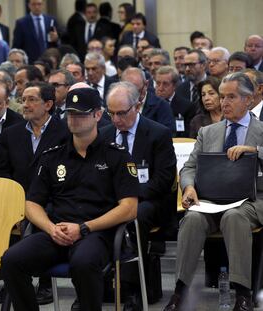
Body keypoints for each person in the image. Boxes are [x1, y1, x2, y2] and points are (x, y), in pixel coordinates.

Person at [0, 86, 139, 311]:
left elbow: (129, 208)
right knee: (11, 260)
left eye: (81, 113)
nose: (73, 119)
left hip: (96, 232)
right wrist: (49, 228)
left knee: (83, 262)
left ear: (97, 115)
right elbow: (31, 203)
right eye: (70, 113)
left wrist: (84, 228)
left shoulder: (117, 156)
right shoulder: (53, 156)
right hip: (56, 231)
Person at [163, 72, 262, 311]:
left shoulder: (260, 130)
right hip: (212, 200)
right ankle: (179, 292)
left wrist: (255, 150)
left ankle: (242, 294)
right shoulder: (208, 132)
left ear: (248, 101)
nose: (224, 102)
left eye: (231, 97)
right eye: (222, 97)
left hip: (252, 199)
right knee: (192, 218)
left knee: (234, 217)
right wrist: (188, 188)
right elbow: (189, 167)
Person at [0, 81, 70, 305]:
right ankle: (13, 281)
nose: (24, 104)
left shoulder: (65, 132)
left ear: (48, 104)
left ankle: (44, 283)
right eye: (23, 99)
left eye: (31, 100)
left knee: (42, 216)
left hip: (53, 199)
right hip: (18, 198)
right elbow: (2, 171)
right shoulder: (11, 133)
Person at [101, 81, 176, 310]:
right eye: (111, 113)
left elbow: (163, 179)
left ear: (138, 105)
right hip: (112, 201)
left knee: (135, 217)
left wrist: (130, 198)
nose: (115, 119)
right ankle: (91, 285)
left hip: (149, 202)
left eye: (121, 113)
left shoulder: (157, 133)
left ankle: (132, 290)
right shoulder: (103, 135)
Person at [121, 67, 175, 133]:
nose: (133, 95)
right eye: (127, 91)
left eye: (137, 91)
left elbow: (167, 133)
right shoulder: (116, 104)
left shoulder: (161, 106)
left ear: (146, 85)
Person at [155, 66, 197, 137]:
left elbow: (186, 134)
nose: (160, 88)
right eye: (158, 83)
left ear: (174, 85)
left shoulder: (187, 107)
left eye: (165, 84)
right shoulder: (149, 104)